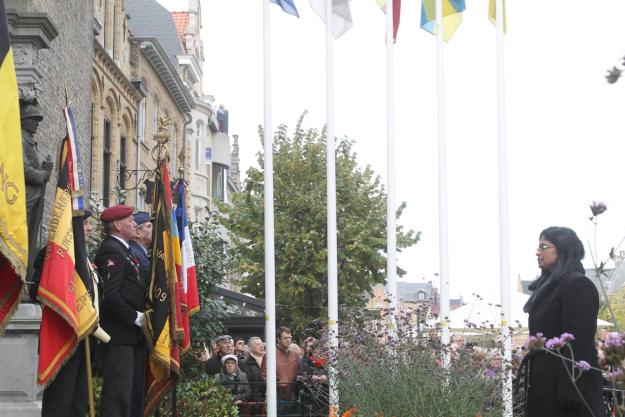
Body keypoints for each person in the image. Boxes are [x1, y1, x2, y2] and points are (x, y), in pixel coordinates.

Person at [29, 209, 108, 417]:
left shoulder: (84, 258)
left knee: (78, 403)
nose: (89, 229)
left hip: (86, 339)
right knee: (59, 404)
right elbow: (36, 289)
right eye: (85, 225)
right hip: (63, 338)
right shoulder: (54, 253)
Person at [520, 227, 605, 417]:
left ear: (563, 248)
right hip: (546, 383)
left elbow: (579, 342)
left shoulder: (577, 285)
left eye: (544, 247)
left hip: (565, 388)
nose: (537, 252)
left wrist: (571, 392)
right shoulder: (548, 286)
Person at [96, 205, 147, 417]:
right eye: (129, 220)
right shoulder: (112, 250)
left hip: (128, 336)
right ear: (117, 225)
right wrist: (136, 318)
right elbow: (111, 295)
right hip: (117, 335)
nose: (134, 224)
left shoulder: (124, 249)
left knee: (125, 395)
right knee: (117, 397)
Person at [128, 211, 151, 417]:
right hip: (134, 327)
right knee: (133, 387)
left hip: (141, 329)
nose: (152, 231)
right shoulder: (135, 253)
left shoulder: (142, 253)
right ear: (136, 232)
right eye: (148, 227)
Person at [260, 326, 301, 403]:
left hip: (293, 396)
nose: (289, 340)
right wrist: (278, 385)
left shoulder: (295, 355)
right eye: (285, 338)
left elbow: (300, 373)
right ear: (278, 339)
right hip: (276, 397)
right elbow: (263, 375)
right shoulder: (270, 355)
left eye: (290, 338)